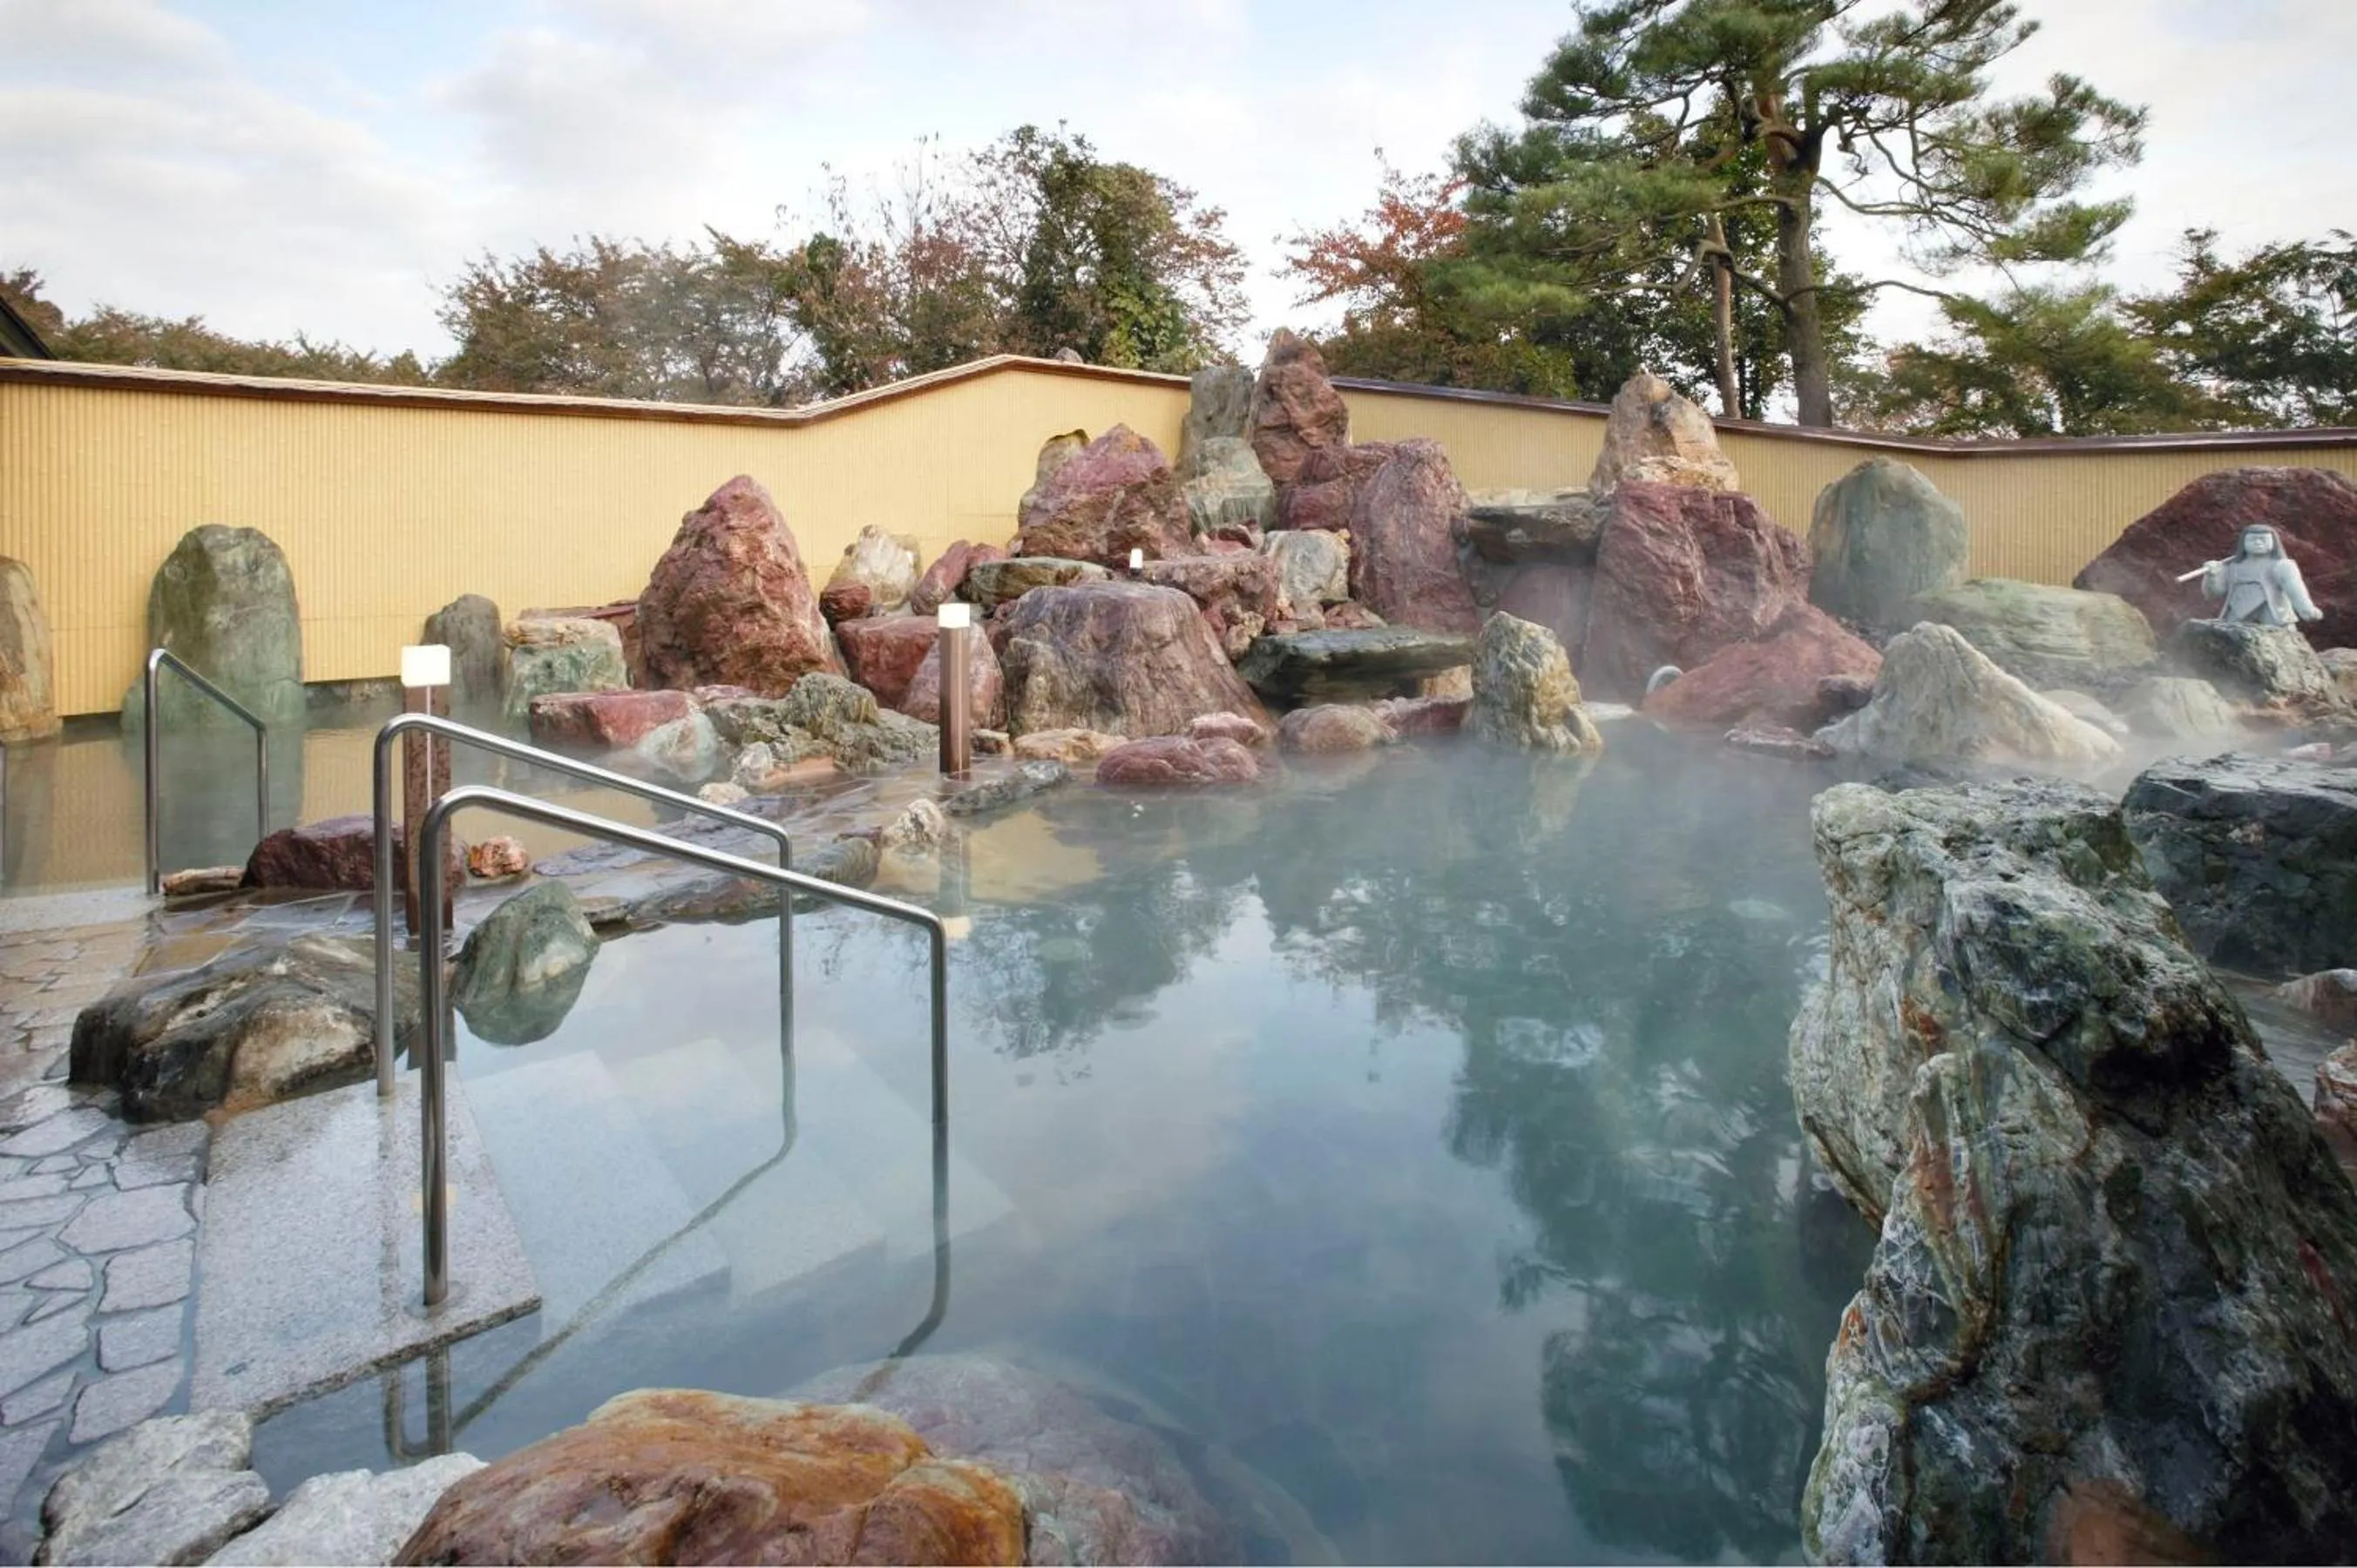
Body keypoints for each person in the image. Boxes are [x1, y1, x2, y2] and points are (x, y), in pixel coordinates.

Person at [2199, 525, 2323, 627]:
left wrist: (2306, 609)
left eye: (2263, 539)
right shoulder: (2232, 567)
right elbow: (2212, 594)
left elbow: (2295, 588)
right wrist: (2212, 576)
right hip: (2237, 611)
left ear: (2273, 542)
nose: (2258, 543)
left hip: (2271, 611)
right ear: (2244, 543)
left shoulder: (2282, 565)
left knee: (2278, 642)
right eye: (2253, 540)